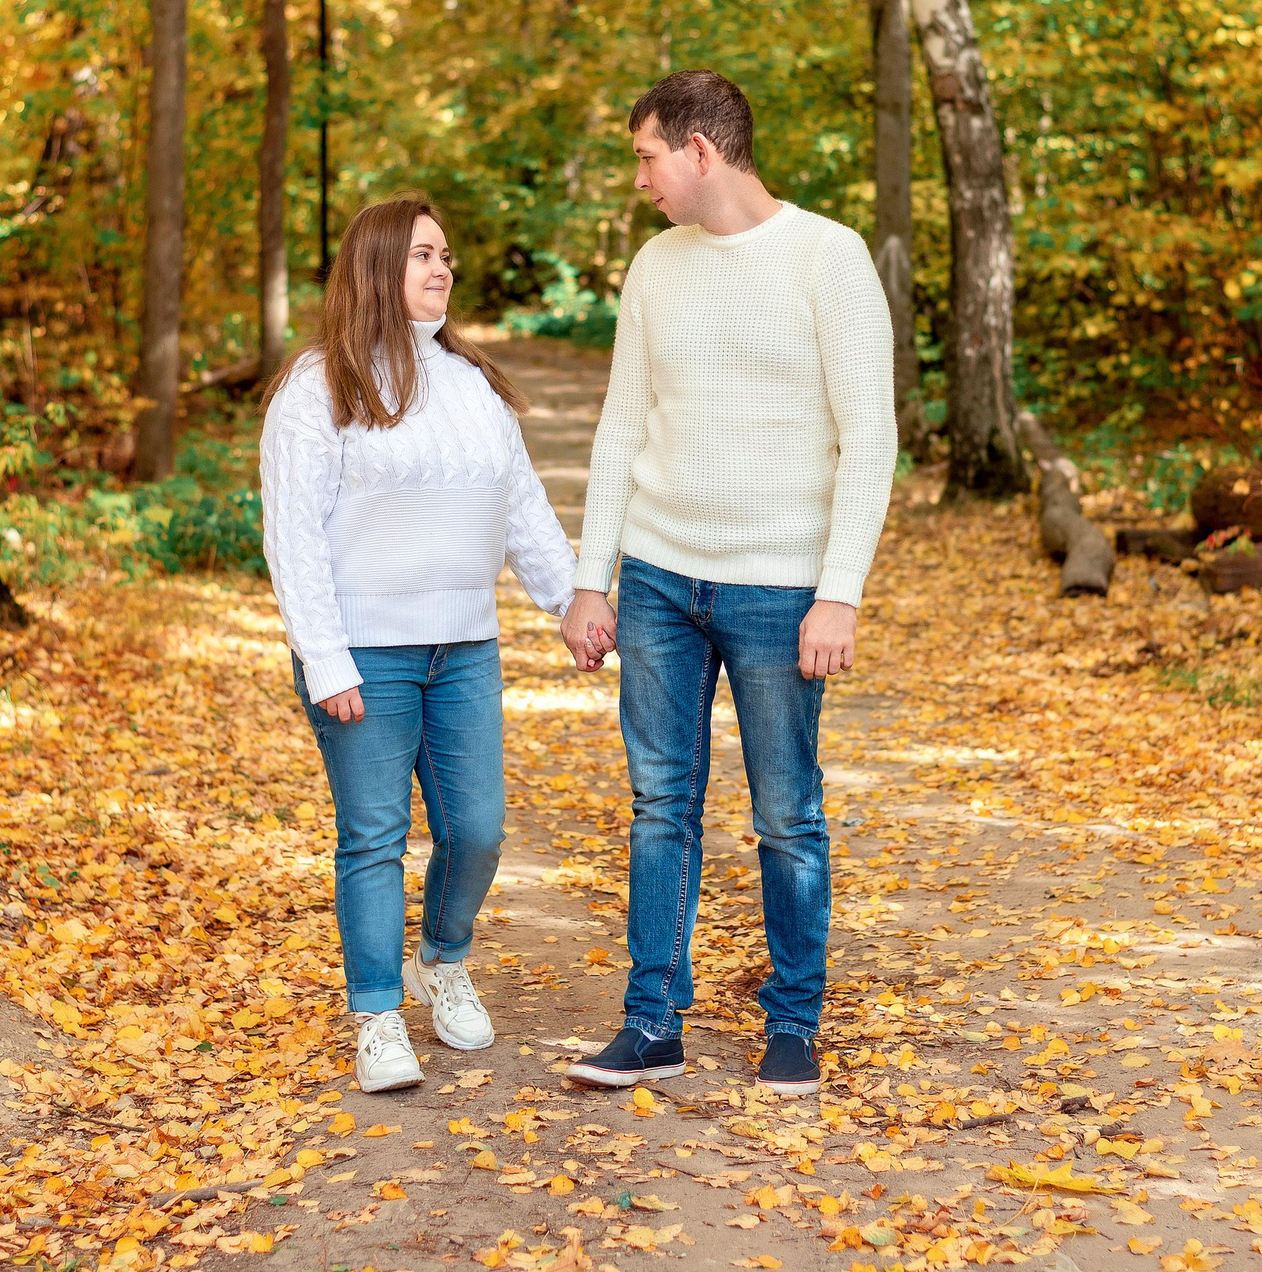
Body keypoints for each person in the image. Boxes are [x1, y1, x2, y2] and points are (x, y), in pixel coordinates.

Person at [559, 69, 896, 1098]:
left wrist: (837, 590)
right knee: (661, 802)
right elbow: (620, 425)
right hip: (659, 577)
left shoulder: (827, 257)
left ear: (701, 151)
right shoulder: (654, 268)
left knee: (785, 811)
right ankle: (650, 1018)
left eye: (647, 157)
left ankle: (792, 1021)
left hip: (778, 587)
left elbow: (868, 435)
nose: (641, 180)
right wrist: (591, 578)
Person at [261, 195, 588, 1094]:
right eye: (420, 256)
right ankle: (376, 1014)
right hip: (364, 655)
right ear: (374, 268)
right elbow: (293, 535)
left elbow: (520, 506)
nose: (441, 269)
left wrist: (570, 603)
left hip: (465, 650)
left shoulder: (472, 385)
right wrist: (326, 658)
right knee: (374, 836)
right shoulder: (318, 386)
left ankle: (441, 959)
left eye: (446, 255)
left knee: (477, 830)